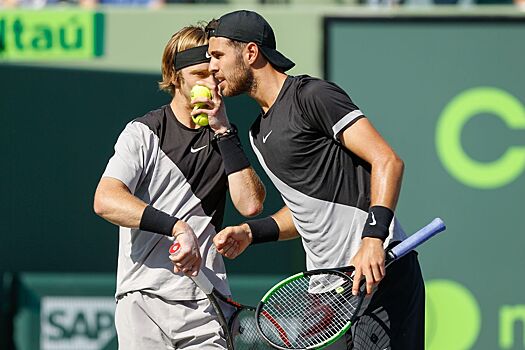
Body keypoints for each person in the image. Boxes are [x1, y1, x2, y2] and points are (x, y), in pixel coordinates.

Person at [207, 10, 425, 349]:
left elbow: (387, 160)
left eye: (218, 55)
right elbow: (307, 213)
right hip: (329, 294)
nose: (212, 68)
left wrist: (373, 238)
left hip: (380, 278)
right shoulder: (257, 133)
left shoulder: (312, 96)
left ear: (250, 52)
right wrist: (252, 232)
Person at [93, 23, 265, 349]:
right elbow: (105, 200)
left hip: (206, 301)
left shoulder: (226, 135)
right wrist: (176, 227)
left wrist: (225, 132)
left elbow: (251, 205)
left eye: (214, 73)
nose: (210, 83)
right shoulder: (143, 133)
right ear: (175, 76)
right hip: (143, 299)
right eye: (200, 74)